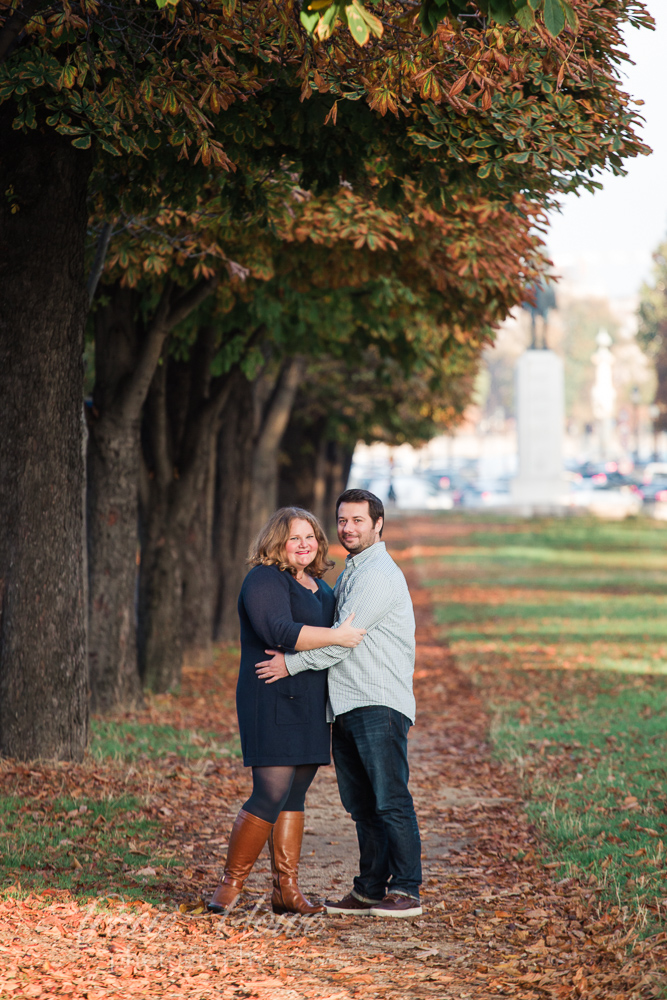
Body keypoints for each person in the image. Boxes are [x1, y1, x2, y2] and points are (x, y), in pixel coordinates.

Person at [256, 489, 422, 918]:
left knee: (390, 799)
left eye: (358, 521)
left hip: (378, 700)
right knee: (362, 806)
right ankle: (369, 890)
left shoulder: (379, 575)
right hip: (347, 704)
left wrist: (290, 665)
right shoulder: (353, 571)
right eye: (343, 520)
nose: (348, 528)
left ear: (378, 524)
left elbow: (343, 642)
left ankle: (406, 890)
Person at [208, 507, 366, 916]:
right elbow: (277, 630)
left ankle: (286, 890)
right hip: (272, 694)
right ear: (277, 541)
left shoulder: (320, 585)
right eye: (294, 537)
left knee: (295, 793)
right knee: (270, 792)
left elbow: (329, 643)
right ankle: (230, 885)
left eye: (310, 536)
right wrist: (337, 636)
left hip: (312, 698)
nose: (304, 544)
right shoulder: (264, 579)